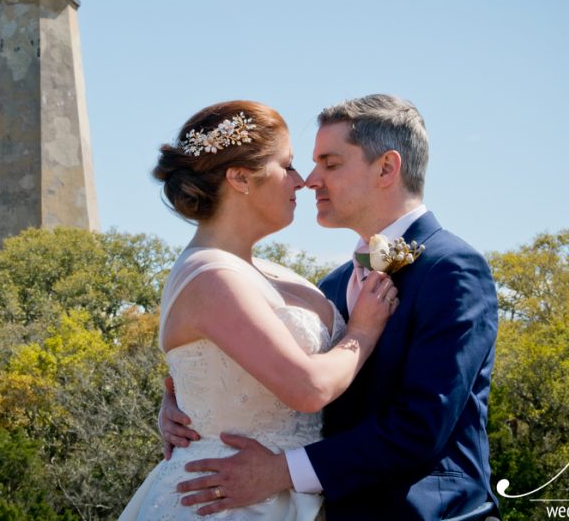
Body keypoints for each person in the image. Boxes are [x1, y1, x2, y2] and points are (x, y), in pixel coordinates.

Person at [164, 94, 500, 521]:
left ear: (386, 168)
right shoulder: (331, 285)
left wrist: (280, 472)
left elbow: (421, 426)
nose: (310, 179)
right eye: (305, 164)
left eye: (331, 163)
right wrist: (188, 406)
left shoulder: (452, 268)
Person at [120, 100, 400, 521]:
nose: (302, 180)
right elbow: (307, 389)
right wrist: (362, 330)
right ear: (240, 178)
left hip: (296, 495)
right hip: (225, 502)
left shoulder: (268, 272)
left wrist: (182, 396)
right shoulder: (210, 275)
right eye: (286, 166)